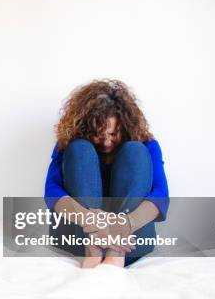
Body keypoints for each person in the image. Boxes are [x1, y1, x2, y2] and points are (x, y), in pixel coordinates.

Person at [44, 79, 169, 268]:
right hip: (80, 234)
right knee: (79, 149)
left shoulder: (148, 145)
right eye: (99, 134)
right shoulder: (69, 144)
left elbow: (161, 195)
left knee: (135, 150)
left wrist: (125, 224)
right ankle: (93, 252)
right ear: (86, 128)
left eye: (113, 134)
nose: (106, 142)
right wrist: (91, 221)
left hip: (130, 238)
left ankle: (114, 255)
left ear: (126, 126)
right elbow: (52, 191)